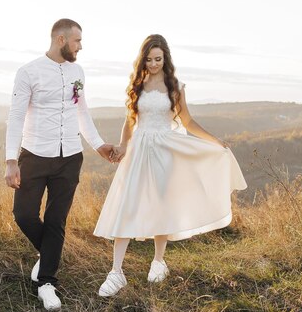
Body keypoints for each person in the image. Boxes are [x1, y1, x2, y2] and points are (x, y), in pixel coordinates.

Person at [93, 34, 247, 297]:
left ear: (165, 59)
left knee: (161, 204)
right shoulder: (138, 84)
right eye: (149, 59)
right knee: (127, 205)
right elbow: (130, 121)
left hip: (165, 150)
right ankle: (116, 272)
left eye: (158, 59)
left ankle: (158, 262)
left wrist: (214, 141)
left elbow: (187, 122)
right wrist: (122, 146)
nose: (153, 64)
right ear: (143, 59)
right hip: (139, 150)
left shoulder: (174, 85)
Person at [4, 19, 114, 310]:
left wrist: (99, 144)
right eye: (78, 40)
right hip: (35, 155)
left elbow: (83, 112)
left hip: (70, 158)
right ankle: (49, 254)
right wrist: (11, 161)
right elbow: (15, 117)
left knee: (56, 221)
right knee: (23, 214)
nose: (81, 46)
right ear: (61, 39)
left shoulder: (78, 72)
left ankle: (47, 283)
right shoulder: (28, 72)